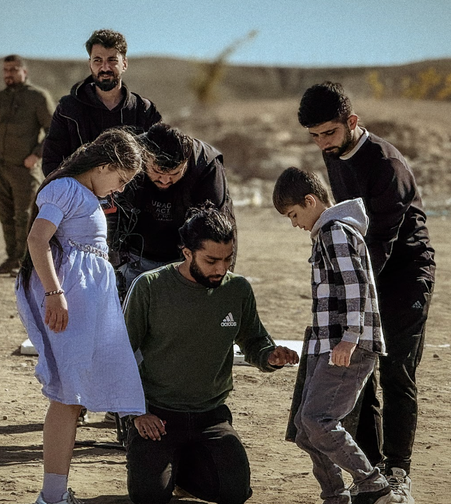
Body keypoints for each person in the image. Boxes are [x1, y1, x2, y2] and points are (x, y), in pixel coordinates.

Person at [298, 81, 436, 502]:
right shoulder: (332, 154)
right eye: (316, 136)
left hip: (404, 273)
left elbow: (382, 241)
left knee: (396, 372)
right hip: (363, 271)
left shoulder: (386, 165)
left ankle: (398, 470)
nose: (323, 143)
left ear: (352, 122)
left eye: (330, 133)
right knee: (359, 375)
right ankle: (370, 471)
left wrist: (350, 292)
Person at [122, 204, 299, 504]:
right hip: (158, 415)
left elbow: (255, 342)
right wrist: (137, 413)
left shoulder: (238, 289)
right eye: (212, 260)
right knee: (149, 496)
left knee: (234, 493)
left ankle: (185, 468)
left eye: (228, 259)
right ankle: (164, 466)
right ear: (187, 253)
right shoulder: (149, 288)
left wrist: (271, 357)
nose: (221, 268)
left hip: (211, 417)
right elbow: (120, 354)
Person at [15, 129, 147, 504]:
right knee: (67, 395)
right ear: (105, 165)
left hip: (84, 305)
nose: (120, 189)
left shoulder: (83, 195)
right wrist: (55, 294)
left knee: (72, 396)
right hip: (68, 302)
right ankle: (52, 496)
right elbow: (37, 239)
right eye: (120, 179)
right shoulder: (67, 189)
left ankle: (55, 494)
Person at [273, 167, 403, 504]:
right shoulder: (328, 233)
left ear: (311, 201)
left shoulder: (335, 232)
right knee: (305, 429)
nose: (295, 223)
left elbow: (354, 287)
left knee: (317, 420)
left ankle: (374, 485)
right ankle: (336, 495)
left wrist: (350, 337)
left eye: (294, 214)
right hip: (329, 344)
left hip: (347, 346)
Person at [111, 123, 236, 294]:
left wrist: (215, 281)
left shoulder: (206, 166)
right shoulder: (127, 156)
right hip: (133, 257)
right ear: (144, 157)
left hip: (186, 261)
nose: (164, 181)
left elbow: (218, 231)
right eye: (157, 172)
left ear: (186, 162)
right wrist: (113, 264)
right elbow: (110, 215)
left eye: (175, 174)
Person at [42, 29, 161, 177]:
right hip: (82, 196)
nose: (105, 68)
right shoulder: (68, 109)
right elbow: (51, 161)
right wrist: (73, 194)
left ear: (124, 64)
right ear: (90, 64)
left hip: (132, 198)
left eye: (112, 60)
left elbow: (159, 161)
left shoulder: (144, 110)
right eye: (98, 60)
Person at [0, 54, 54, 275]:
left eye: (13, 69)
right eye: (5, 70)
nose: (8, 74)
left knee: (25, 215)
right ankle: (12, 259)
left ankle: (26, 262)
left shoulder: (37, 97)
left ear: (24, 71)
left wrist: (36, 155)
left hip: (24, 168)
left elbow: (52, 131)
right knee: (5, 215)